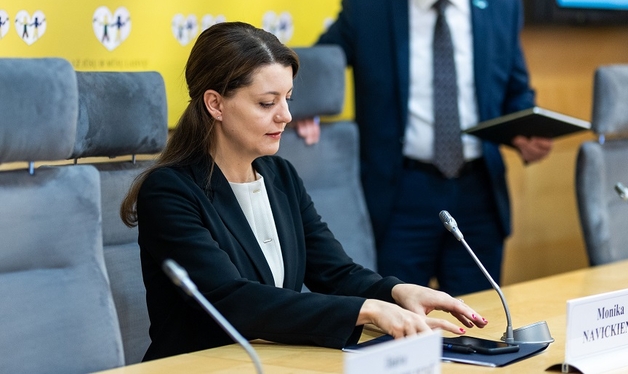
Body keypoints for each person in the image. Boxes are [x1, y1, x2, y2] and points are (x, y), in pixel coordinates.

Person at [120, 22, 488, 361]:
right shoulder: (169, 191)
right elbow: (232, 300)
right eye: (267, 103)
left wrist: (396, 293)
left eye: (288, 99)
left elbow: (335, 272)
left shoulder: (280, 175)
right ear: (215, 103)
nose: (285, 116)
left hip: (272, 362)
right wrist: (369, 310)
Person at [316, 0, 552, 296]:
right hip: (400, 192)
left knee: (481, 314)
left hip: (478, 193)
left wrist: (525, 133)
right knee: (399, 313)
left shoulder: (502, 4)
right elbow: (317, 70)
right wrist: (304, 110)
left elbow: (515, 92)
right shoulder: (367, 7)